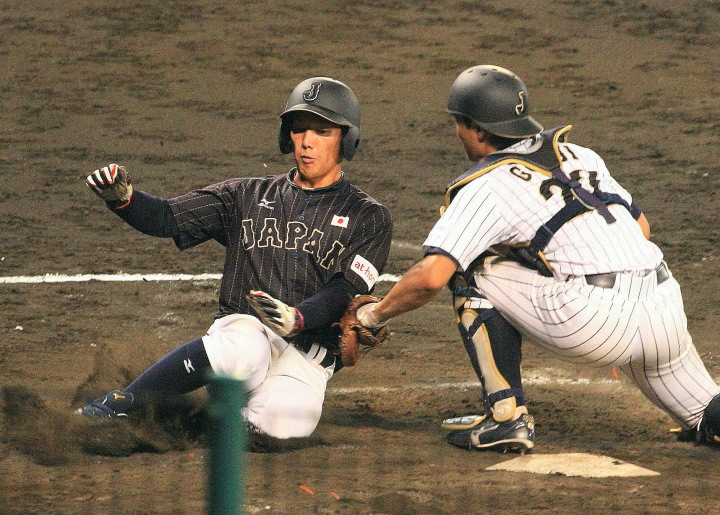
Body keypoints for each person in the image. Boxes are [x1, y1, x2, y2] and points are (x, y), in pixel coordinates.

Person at [355, 64, 720, 453]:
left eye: (459, 123)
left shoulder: (486, 185)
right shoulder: (580, 155)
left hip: (594, 323)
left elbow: (431, 276)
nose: (457, 132)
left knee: (468, 267)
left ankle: (506, 418)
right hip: (664, 310)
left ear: (478, 130)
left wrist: (372, 316)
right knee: (707, 415)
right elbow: (641, 228)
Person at [78, 77, 393, 442]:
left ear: (346, 140)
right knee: (245, 350)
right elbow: (167, 218)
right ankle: (121, 403)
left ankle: (194, 423)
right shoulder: (245, 195)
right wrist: (124, 200)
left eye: (322, 131)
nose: (307, 141)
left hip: (307, 358)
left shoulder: (368, 217)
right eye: (299, 129)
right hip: (246, 335)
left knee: (284, 426)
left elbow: (344, 291)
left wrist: (298, 318)